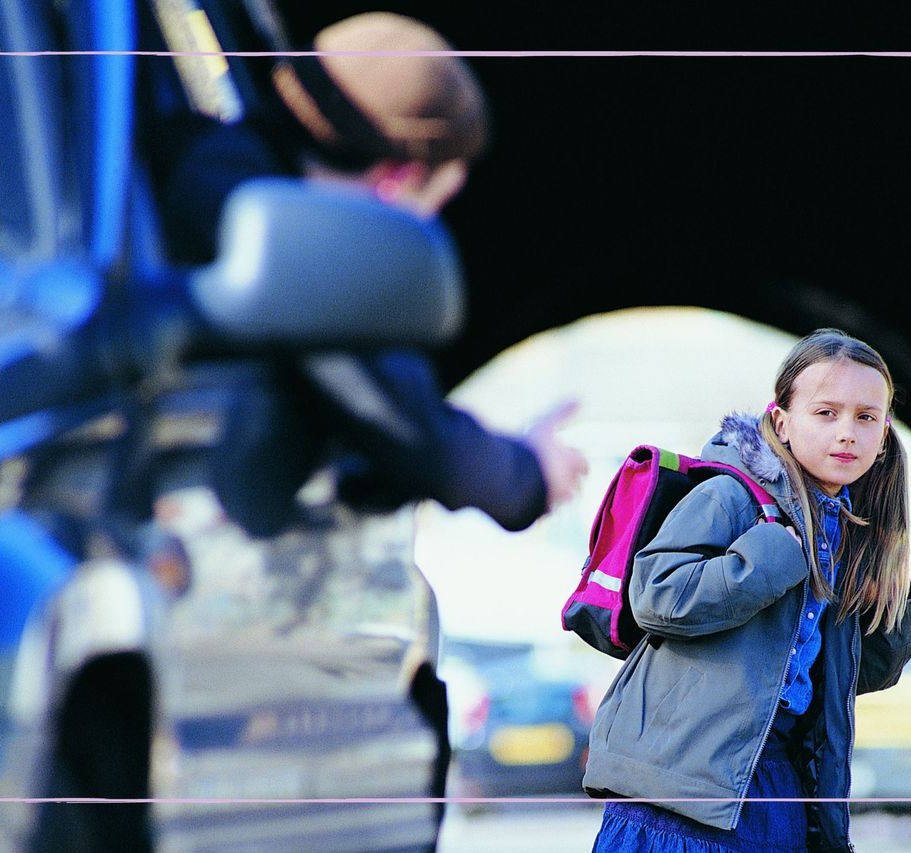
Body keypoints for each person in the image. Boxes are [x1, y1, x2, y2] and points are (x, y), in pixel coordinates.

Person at [139, 10, 587, 534]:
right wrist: (526, 473)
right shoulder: (251, 220)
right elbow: (394, 412)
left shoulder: (207, 171)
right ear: (397, 182)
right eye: (428, 208)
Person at [582, 328, 911, 853]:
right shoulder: (732, 496)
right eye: (826, 413)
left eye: (866, 417)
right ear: (782, 423)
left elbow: (864, 674)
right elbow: (655, 596)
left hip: (777, 787)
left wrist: (892, 601)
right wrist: (769, 558)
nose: (847, 433)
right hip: (684, 794)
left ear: (884, 434)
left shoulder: (852, 533)